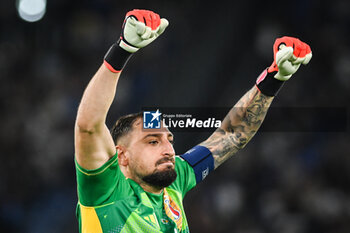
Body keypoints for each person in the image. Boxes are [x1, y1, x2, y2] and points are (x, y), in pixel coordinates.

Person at [74, 9, 312, 233]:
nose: (168, 149)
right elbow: (88, 127)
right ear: (122, 156)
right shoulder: (106, 192)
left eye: (169, 139)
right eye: (152, 142)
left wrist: (274, 79)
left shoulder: (175, 181)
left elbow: (231, 136)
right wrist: (123, 50)